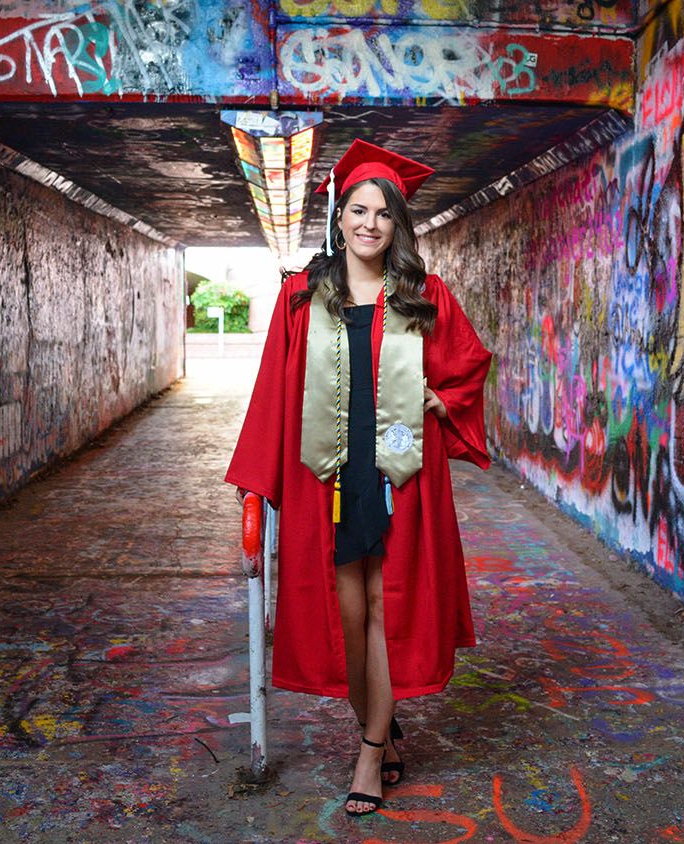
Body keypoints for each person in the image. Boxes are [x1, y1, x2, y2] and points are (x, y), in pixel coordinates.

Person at [225, 140, 493, 817]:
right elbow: (271, 396)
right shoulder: (299, 299)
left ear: (397, 226)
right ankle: (382, 727)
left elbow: (468, 367)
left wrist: (443, 400)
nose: (370, 224)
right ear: (338, 218)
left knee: (387, 608)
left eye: (384, 214)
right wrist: (257, 483)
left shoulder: (424, 297)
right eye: (358, 210)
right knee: (345, 620)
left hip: (399, 477)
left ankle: (371, 754)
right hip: (328, 480)